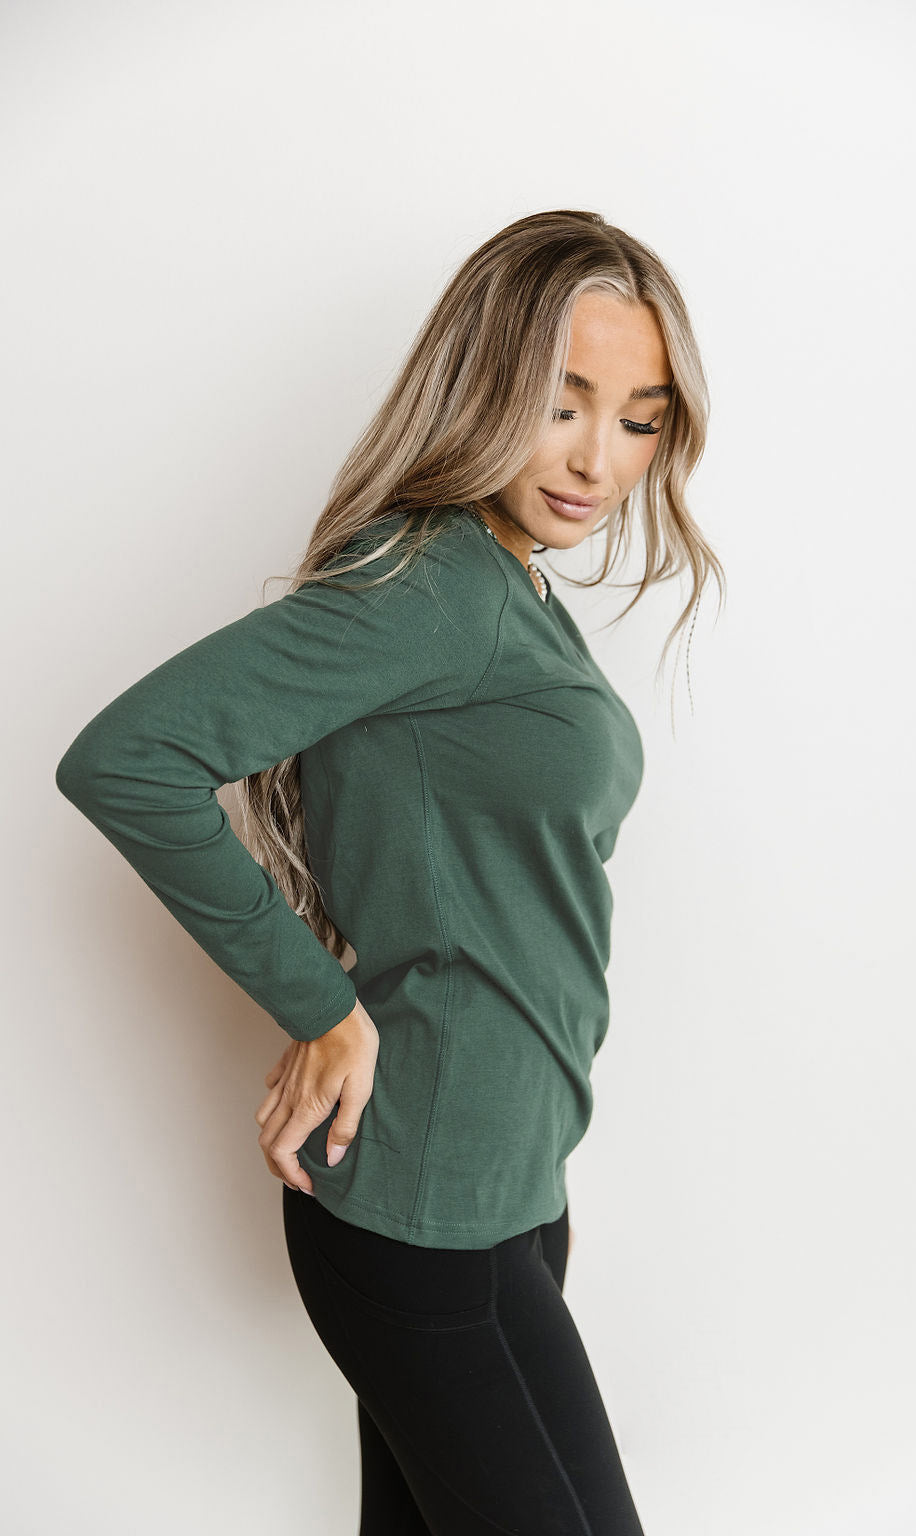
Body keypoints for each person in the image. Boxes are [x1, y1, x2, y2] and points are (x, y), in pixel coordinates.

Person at [55, 208, 724, 1535]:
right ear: (484, 385)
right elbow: (129, 759)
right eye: (561, 404)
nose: (598, 458)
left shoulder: (514, 586)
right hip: (422, 1207)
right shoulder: (429, 584)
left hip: (512, 1194)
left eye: (640, 420)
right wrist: (320, 1004)